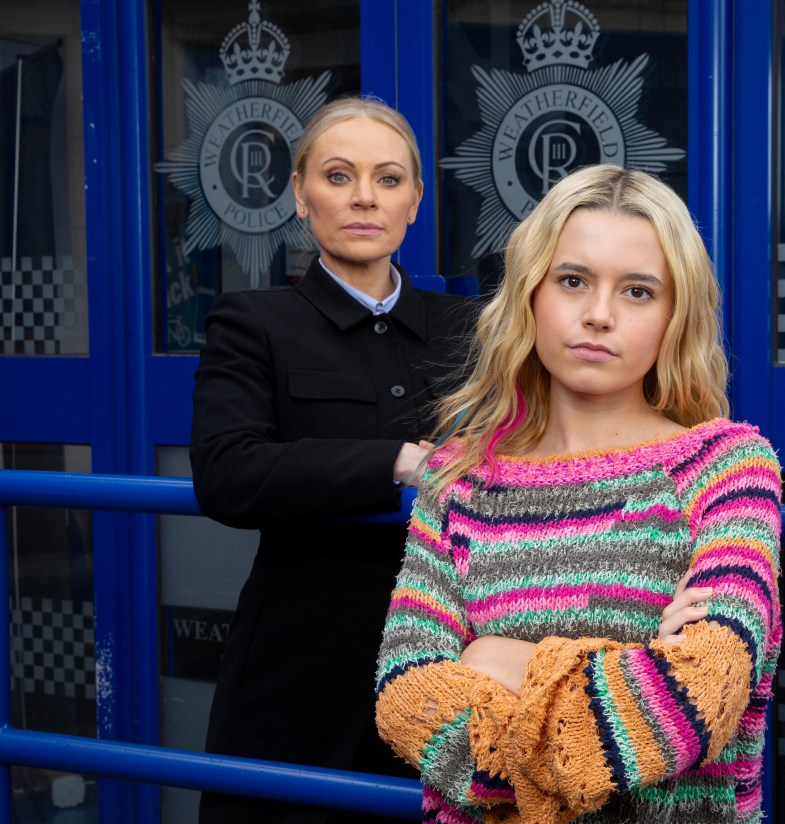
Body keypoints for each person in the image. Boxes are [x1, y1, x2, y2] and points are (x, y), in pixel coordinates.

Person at [375, 165, 782, 823]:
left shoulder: (725, 466)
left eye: (639, 292)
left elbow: (705, 692)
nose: (598, 315)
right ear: (531, 292)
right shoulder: (457, 481)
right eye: (573, 281)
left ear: (675, 316)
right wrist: (637, 668)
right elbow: (405, 696)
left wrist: (496, 659)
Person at [190, 95, 477, 823]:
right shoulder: (254, 322)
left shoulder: (471, 329)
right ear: (299, 193)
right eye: (339, 175)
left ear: (414, 201)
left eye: (387, 179)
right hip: (299, 667)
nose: (362, 198)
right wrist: (397, 464)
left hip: (447, 659)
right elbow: (227, 471)